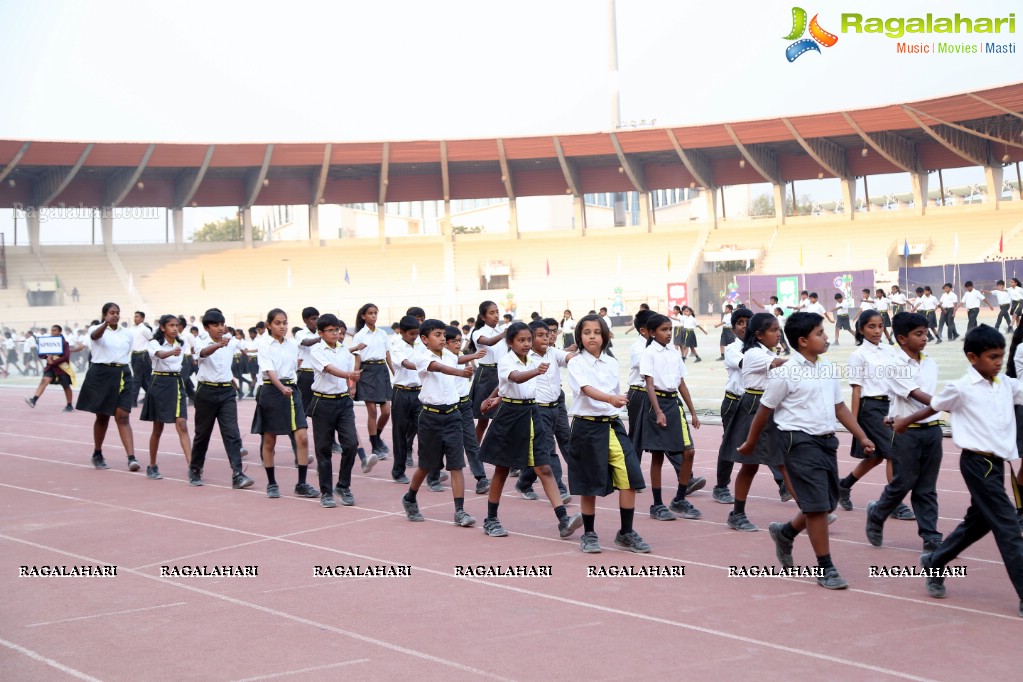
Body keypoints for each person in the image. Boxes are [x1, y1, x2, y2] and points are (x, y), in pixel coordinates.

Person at [739, 312, 876, 590]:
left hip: (826, 442)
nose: (826, 338)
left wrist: (861, 435)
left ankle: (785, 532)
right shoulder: (786, 373)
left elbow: (839, 407)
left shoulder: (827, 369)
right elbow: (764, 410)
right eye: (820, 334)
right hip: (798, 442)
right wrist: (751, 442)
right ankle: (826, 567)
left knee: (826, 504)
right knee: (816, 507)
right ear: (802, 341)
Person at [894, 325, 1023, 617]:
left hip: (996, 463)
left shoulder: (1006, 384)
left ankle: (936, 560)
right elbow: (934, 406)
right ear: (972, 357)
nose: (998, 362)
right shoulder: (961, 388)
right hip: (976, 463)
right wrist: (904, 422)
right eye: (992, 357)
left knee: (980, 522)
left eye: (1001, 356)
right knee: (1008, 526)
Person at [476, 322, 583, 539]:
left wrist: (494, 396)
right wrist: (534, 372)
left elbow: (508, 383)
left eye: (528, 340)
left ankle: (563, 519)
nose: (526, 344)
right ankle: (491, 519)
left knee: (544, 468)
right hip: (510, 416)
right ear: (510, 342)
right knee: (502, 469)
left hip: (532, 413)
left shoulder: (538, 357)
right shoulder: (507, 360)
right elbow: (513, 377)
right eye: (521, 340)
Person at [565, 314, 648, 554]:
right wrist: (611, 398)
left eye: (597, 332)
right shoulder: (576, 363)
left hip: (612, 426)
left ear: (605, 336)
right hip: (586, 428)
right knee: (589, 483)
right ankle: (589, 534)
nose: (592, 336)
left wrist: (618, 400)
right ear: (579, 336)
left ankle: (626, 532)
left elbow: (615, 394)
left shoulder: (611, 362)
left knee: (630, 477)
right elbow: (586, 389)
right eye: (587, 332)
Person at [862, 312, 942, 552]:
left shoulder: (930, 363)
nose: (925, 338)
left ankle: (931, 536)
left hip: (932, 431)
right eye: (918, 334)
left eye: (926, 333)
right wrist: (947, 403)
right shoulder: (895, 366)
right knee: (903, 482)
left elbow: (932, 400)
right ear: (902, 339)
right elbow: (919, 395)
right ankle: (878, 512)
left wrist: (944, 404)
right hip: (907, 432)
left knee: (926, 487)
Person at [399, 319, 484, 527]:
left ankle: (460, 511)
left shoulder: (451, 356)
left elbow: (454, 362)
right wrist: (460, 371)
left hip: (453, 415)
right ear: (425, 339)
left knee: (456, 465)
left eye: (443, 334)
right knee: (427, 465)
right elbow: (438, 368)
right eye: (437, 335)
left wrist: (466, 363)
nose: (442, 338)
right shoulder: (421, 357)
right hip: (430, 417)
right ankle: (410, 497)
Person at [836, 310, 914, 520]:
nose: (878, 330)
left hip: (891, 407)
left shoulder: (890, 351)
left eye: (881, 326)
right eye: (871, 326)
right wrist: (854, 423)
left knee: (877, 457)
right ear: (861, 329)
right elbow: (856, 390)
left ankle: (844, 485)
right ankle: (894, 502)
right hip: (870, 409)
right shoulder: (858, 355)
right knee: (893, 452)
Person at [720, 312, 790, 532]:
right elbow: (780, 364)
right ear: (759, 335)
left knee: (775, 463)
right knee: (753, 465)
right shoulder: (753, 354)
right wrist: (807, 359)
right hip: (753, 407)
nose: (778, 334)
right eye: (774, 330)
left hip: (768, 406)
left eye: (779, 330)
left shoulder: (765, 351)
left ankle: (812, 510)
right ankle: (812, 510)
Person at [641, 314, 702, 521]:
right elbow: (649, 384)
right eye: (664, 330)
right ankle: (657, 504)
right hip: (657, 404)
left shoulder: (675, 353)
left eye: (670, 330)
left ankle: (679, 499)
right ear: (651, 332)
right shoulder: (649, 353)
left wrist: (692, 412)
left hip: (674, 405)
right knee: (658, 455)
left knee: (689, 452)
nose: (668, 333)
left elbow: (681, 383)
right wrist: (657, 411)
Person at [252, 308, 317, 499]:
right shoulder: (264, 344)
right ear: (269, 325)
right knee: (270, 439)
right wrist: (281, 388)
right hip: (271, 391)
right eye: (278, 323)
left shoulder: (292, 344)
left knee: (302, 437)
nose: (282, 326)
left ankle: (302, 483)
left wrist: (289, 386)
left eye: (285, 323)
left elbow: (296, 364)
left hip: (292, 391)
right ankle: (272, 483)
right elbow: (270, 371)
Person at [188, 308, 253, 489]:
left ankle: (238, 474)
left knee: (232, 433)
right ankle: (195, 469)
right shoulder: (201, 341)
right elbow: (202, 354)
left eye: (222, 324)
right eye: (215, 325)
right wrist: (218, 345)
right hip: (206, 392)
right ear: (207, 327)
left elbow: (247, 348)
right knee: (203, 434)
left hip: (226, 393)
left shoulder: (231, 341)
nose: (219, 328)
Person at [306, 314, 363, 508]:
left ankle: (343, 485)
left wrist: (351, 384)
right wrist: (350, 375)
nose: (335, 333)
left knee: (351, 444)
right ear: (320, 333)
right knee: (323, 449)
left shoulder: (344, 350)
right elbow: (329, 369)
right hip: (323, 402)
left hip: (343, 402)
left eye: (337, 330)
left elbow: (350, 369)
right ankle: (326, 492)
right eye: (330, 330)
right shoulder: (316, 351)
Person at [75, 302, 139, 471]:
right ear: (104, 315)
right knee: (102, 417)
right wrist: (105, 323)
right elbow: (95, 336)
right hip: (101, 374)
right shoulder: (95, 329)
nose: (115, 315)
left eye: (117, 312)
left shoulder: (127, 333)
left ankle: (131, 458)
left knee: (123, 415)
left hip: (123, 374)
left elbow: (126, 354)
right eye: (112, 312)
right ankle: (97, 453)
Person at [514, 320, 572, 503]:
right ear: (530, 338)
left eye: (547, 335)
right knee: (548, 449)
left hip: (556, 406)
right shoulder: (525, 357)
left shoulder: (553, 353)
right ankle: (559, 487)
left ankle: (524, 482)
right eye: (540, 335)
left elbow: (570, 357)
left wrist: (584, 349)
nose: (546, 338)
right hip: (537, 409)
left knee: (561, 440)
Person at [140, 314, 193, 480]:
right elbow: (161, 355)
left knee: (182, 424)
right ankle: (152, 465)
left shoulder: (182, 343)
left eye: (177, 325)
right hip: (159, 383)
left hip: (176, 383)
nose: (175, 328)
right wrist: (172, 352)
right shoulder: (154, 343)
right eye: (171, 325)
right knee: (158, 428)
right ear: (163, 328)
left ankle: (193, 467)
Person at [713, 307, 753, 504]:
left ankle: (783, 485)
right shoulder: (732, 349)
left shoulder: (762, 349)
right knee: (730, 444)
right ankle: (721, 486)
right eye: (740, 323)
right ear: (733, 327)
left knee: (765, 439)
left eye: (748, 322)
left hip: (755, 402)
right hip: (734, 402)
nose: (744, 326)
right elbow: (748, 364)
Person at [444, 326, 489, 494]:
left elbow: (461, 359)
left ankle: (481, 478)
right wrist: (475, 356)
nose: (457, 344)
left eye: (459, 340)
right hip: (448, 407)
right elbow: (457, 361)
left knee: (471, 442)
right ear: (445, 343)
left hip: (464, 405)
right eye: (453, 341)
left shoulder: (460, 357)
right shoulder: (445, 358)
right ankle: (433, 473)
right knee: (445, 444)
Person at [352, 302, 393, 457]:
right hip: (367, 371)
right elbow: (357, 360)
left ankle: (377, 436)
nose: (373, 316)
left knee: (387, 411)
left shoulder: (382, 334)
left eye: (375, 313)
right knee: (372, 411)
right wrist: (354, 383)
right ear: (363, 316)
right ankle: (375, 445)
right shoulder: (359, 336)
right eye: (370, 313)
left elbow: (388, 354)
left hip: (381, 370)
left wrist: (393, 371)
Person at [467, 300, 506, 443]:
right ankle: (475, 451)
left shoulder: (501, 331)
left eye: (497, 312)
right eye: (492, 313)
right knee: (483, 419)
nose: (496, 315)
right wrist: (504, 334)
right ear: (483, 317)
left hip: (502, 373)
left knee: (503, 416)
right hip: (486, 375)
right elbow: (489, 342)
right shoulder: (478, 333)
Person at [389, 315, 423, 485]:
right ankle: (398, 470)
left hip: (419, 393)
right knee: (399, 433)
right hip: (401, 393)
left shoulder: (420, 345)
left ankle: (429, 469)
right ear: (401, 332)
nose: (414, 337)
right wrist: (425, 365)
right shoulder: (396, 347)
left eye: (417, 334)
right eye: (411, 334)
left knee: (425, 428)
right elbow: (406, 363)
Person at [24, 324, 73, 412]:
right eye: (51, 330)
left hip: (62, 368)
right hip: (50, 367)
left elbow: (66, 357)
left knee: (66, 386)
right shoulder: (46, 341)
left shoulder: (64, 343)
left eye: (54, 330)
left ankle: (69, 405)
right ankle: (34, 400)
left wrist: (54, 361)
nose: (52, 332)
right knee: (44, 381)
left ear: (59, 332)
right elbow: (41, 354)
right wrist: (47, 357)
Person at [129, 311, 153, 406]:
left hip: (142, 354)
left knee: (137, 378)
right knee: (142, 379)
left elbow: (152, 341)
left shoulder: (145, 329)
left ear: (142, 318)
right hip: (134, 354)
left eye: (137, 316)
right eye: (134, 316)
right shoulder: (132, 329)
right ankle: (151, 397)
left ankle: (133, 401)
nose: (135, 318)